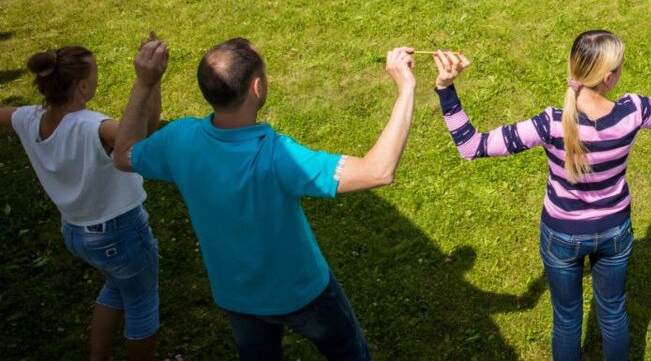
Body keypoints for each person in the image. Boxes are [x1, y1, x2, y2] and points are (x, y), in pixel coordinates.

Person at [432, 12, 651, 361]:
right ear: (608, 77)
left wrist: (446, 89)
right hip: (615, 230)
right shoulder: (635, 111)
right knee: (613, 313)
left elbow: (471, 146)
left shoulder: (550, 124)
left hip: (561, 235)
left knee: (566, 320)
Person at [113, 38, 419, 361]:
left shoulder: (179, 139)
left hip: (237, 296)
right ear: (257, 88)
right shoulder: (278, 158)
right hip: (304, 294)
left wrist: (146, 82)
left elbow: (123, 155)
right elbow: (377, 171)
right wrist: (406, 89)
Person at [1, 41, 163, 361]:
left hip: (77, 233)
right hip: (120, 233)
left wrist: (151, 83)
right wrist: (148, 82)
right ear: (83, 86)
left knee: (116, 287)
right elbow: (142, 136)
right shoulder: (93, 127)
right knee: (142, 303)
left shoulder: (28, 119)